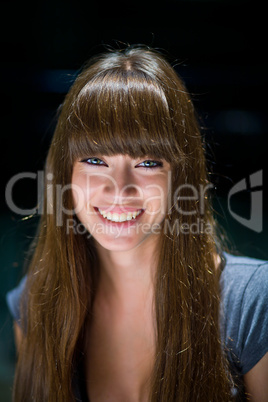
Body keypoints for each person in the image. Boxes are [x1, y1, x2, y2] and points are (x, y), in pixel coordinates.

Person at [6, 45, 268, 401]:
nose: (120, 190)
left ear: (181, 175)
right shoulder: (35, 306)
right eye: (95, 159)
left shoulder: (254, 303)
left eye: (148, 162)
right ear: (64, 175)